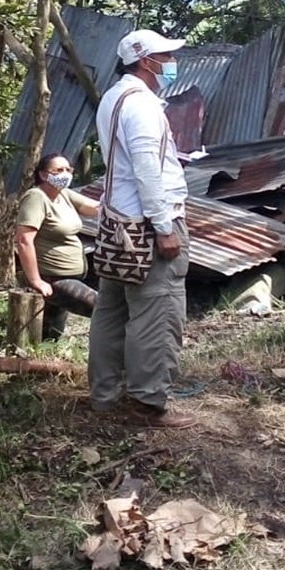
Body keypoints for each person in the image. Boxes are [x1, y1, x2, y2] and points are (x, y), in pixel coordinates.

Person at [89, 28, 195, 429]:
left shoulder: (114, 98)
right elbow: (147, 170)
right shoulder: (144, 106)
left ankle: (104, 394)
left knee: (111, 310)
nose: (171, 62)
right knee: (158, 310)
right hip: (147, 225)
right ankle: (148, 402)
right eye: (166, 56)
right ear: (147, 61)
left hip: (117, 221)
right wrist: (164, 226)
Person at [14, 153, 99, 341]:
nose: (65, 174)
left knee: (50, 333)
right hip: (53, 278)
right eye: (58, 170)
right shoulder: (36, 197)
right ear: (44, 175)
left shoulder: (64, 195)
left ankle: (39, 362)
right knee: (103, 310)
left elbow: (95, 208)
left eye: (68, 170)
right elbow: (24, 240)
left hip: (71, 275)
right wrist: (36, 281)